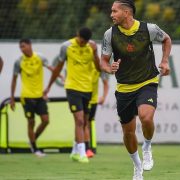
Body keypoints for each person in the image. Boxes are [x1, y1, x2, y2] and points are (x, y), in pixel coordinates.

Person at [100, 0, 172, 179]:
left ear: (126, 12)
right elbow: (103, 61)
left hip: (147, 81)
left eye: (114, 11)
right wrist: (110, 68)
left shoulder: (149, 29)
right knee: (128, 132)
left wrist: (164, 61)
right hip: (124, 87)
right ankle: (137, 165)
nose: (111, 14)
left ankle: (147, 147)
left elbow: (167, 39)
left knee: (146, 117)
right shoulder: (110, 34)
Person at [43, 27, 100, 163]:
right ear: (77, 35)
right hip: (72, 87)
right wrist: (48, 87)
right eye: (80, 39)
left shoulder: (91, 46)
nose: (82, 43)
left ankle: (74, 151)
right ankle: (82, 153)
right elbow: (57, 68)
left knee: (84, 122)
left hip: (87, 89)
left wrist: (95, 52)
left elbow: (98, 68)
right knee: (79, 120)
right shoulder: (66, 46)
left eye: (84, 41)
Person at [10, 38, 58, 157]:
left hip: (40, 96)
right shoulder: (19, 62)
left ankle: (32, 140)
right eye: (20, 47)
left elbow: (51, 68)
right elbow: (14, 80)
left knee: (45, 120)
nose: (22, 49)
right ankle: (35, 148)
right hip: (26, 97)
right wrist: (12, 98)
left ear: (30, 45)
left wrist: (60, 75)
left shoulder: (40, 57)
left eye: (24, 46)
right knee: (31, 122)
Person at [85, 67, 109, 158]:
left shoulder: (98, 67)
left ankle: (87, 148)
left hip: (93, 100)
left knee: (87, 122)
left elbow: (106, 84)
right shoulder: (81, 64)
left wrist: (103, 97)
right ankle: (86, 148)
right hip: (82, 98)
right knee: (83, 122)